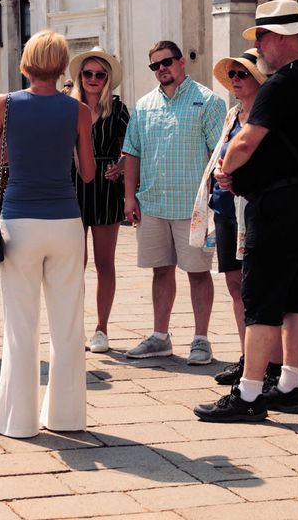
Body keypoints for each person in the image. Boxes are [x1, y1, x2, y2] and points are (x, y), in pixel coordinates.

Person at [194, 0, 298, 423]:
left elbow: (247, 141)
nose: (260, 46)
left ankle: (248, 394)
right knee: (293, 297)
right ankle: (289, 385)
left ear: (285, 38)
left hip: (276, 202)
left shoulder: (281, 84)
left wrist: (224, 170)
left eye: (264, 36)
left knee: (261, 295)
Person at [0, 30, 95, 437]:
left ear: (27, 62)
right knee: (68, 324)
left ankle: (18, 421)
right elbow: (88, 173)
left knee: (21, 324)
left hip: (20, 221)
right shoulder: (78, 110)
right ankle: (66, 417)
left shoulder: (6, 105)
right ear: (61, 65)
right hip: (66, 221)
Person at [121, 41, 226, 364]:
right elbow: (132, 153)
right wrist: (129, 197)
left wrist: (216, 200)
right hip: (153, 203)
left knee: (197, 272)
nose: (161, 69)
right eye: (155, 65)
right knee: (160, 271)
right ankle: (159, 336)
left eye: (166, 62)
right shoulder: (144, 105)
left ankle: (201, 339)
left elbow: (219, 154)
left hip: (192, 206)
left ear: (181, 62)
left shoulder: (207, 101)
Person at [192, 50, 266, 387]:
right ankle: (246, 355)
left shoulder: (265, 117)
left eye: (242, 74)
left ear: (257, 79)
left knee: (254, 287)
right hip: (223, 205)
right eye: (232, 74)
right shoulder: (233, 114)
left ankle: (262, 361)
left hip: (250, 207)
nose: (235, 80)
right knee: (234, 284)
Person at [69, 46, 129, 353]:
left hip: (106, 190)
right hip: (71, 187)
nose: (93, 79)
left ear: (107, 79)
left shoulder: (117, 109)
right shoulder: (67, 106)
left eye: (100, 74)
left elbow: (132, 147)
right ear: (80, 76)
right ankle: (71, 326)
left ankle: (101, 329)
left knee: (105, 263)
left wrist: (119, 167)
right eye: (88, 73)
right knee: (73, 264)